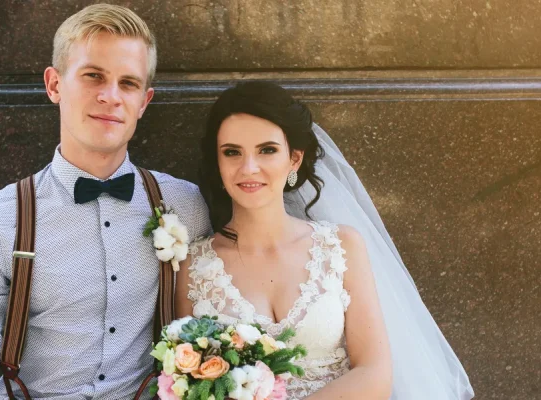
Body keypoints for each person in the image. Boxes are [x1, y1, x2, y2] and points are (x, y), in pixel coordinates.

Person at [0, 4, 210, 399]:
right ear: (54, 85)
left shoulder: (186, 206)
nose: (111, 97)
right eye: (93, 76)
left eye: (128, 83)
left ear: (144, 101)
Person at [175, 81, 474, 399]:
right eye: (232, 152)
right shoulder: (193, 266)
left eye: (267, 150)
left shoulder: (340, 246)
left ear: (294, 159)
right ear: (218, 163)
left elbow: (374, 372)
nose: (249, 168)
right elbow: (187, 382)